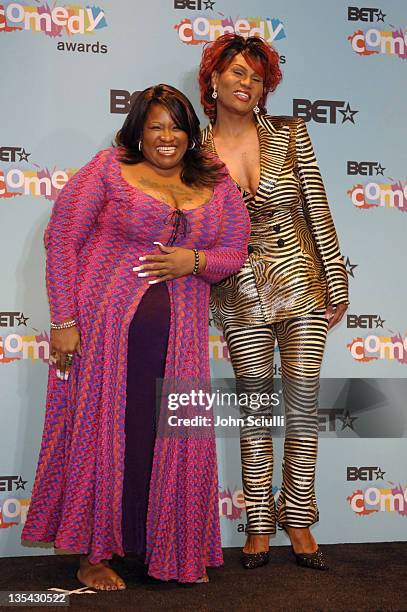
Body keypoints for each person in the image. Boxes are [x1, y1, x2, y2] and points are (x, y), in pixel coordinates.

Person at [21, 84, 250, 587]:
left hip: (182, 342)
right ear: (138, 132)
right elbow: (62, 238)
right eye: (156, 126)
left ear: (191, 133)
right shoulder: (108, 169)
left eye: (177, 126)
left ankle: (167, 548)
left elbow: (236, 249)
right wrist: (64, 322)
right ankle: (93, 555)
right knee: (106, 438)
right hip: (106, 338)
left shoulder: (215, 180)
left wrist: (195, 260)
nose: (167, 136)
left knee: (169, 438)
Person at [199, 34, 349, 570]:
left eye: (256, 77)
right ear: (213, 80)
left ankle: (301, 521)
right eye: (236, 72)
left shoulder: (290, 135)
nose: (246, 82)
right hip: (238, 293)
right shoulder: (195, 152)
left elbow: (318, 208)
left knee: (303, 405)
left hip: (301, 283)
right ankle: (259, 522)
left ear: (266, 88)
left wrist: (338, 281)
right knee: (256, 409)